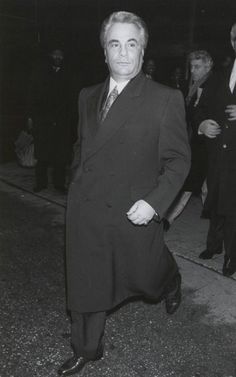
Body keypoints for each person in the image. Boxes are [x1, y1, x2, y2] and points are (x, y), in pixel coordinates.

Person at [58, 11, 190, 376]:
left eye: (131, 43)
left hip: (135, 210)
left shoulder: (164, 98)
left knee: (147, 280)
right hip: (87, 208)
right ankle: (87, 347)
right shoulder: (87, 96)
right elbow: (82, 146)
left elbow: (179, 160)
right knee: (87, 279)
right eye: (114, 43)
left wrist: (154, 203)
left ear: (143, 50)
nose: (122, 52)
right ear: (104, 51)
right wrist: (75, 180)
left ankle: (170, 277)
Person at [196, 23, 236, 277]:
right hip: (219, 152)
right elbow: (199, 107)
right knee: (216, 197)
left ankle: (231, 257)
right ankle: (214, 245)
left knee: (232, 205)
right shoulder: (220, 74)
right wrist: (201, 123)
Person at [164, 50, 213, 229]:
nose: (193, 70)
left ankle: (168, 219)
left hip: (206, 143)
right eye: (191, 66)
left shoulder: (211, 85)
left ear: (208, 66)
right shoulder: (192, 86)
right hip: (194, 140)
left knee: (194, 183)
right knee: (202, 185)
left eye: (197, 67)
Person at [27, 48, 73, 193]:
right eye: (55, 54)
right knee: (42, 155)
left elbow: (72, 99)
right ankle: (41, 183)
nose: (58, 57)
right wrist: (31, 117)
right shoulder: (41, 73)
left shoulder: (68, 74)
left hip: (61, 122)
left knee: (60, 155)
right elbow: (33, 96)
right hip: (43, 121)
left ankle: (59, 184)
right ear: (50, 56)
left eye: (61, 55)